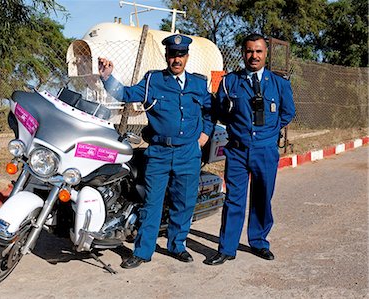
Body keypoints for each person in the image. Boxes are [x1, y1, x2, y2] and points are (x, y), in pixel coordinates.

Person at [98, 34, 213, 269]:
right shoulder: (153, 80)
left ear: (187, 57)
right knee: (152, 203)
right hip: (159, 152)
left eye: (181, 55)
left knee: (184, 201)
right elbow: (126, 94)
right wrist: (107, 77)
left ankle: (177, 245)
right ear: (167, 56)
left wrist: (206, 133)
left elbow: (211, 109)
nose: (176, 59)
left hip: (188, 153)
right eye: (173, 55)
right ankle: (143, 251)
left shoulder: (199, 84)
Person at [205, 33, 296, 265]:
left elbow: (288, 113)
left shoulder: (279, 83)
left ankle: (259, 242)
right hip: (237, 150)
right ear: (243, 53)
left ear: (266, 53)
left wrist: (269, 133)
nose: (253, 56)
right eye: (249, 51)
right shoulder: (229, 82)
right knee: (234, 199)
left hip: (265, 151)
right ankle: (227, 248)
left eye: (258, 51)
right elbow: (220, 112)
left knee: (262, 198)